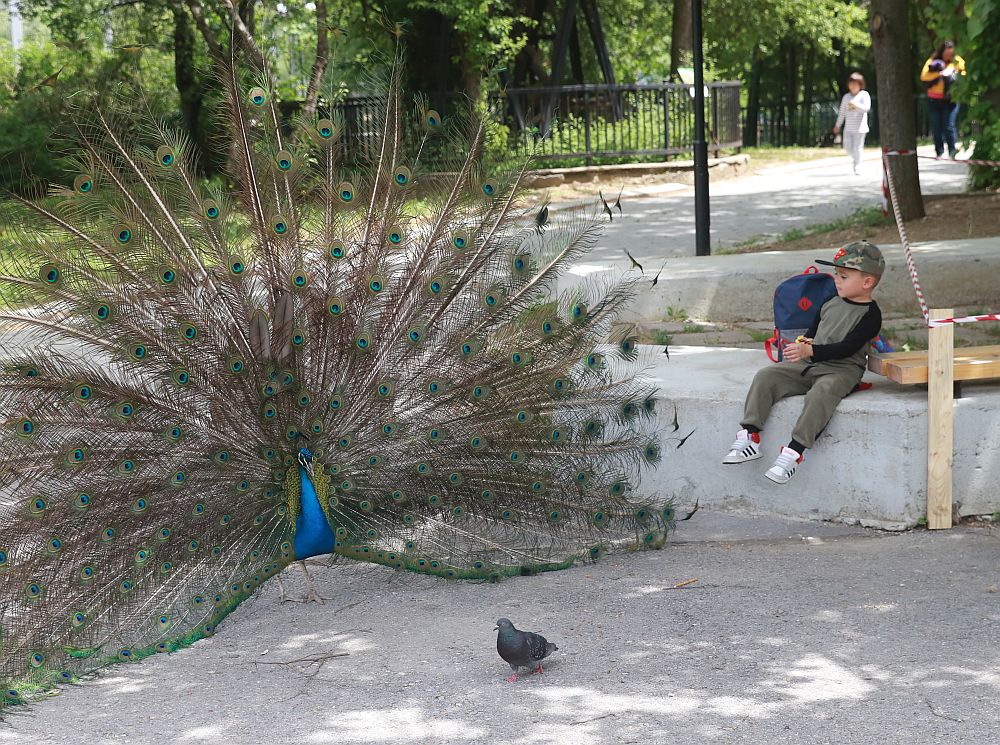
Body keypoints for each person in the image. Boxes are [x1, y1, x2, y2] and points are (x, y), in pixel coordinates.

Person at [722, 241, 884, 484]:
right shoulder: (830, 302)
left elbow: (847, 348)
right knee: (767, 376)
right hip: (811, 362)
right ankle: (750, 435)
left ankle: (794, 451)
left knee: (822, 392)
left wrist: (810, 351)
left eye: (844, 276)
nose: (836, 280)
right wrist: (802, 344)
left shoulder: (871, 314)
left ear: (867, 282)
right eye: (837, 275)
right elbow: (813, 330)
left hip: (842, 369)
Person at [921, 40, 966, 158]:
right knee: (936, 127)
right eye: (946, 54)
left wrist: (952, 73)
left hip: (951, 100)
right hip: (934, 100)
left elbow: (964, 75)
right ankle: (939, 152)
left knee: (949, 125)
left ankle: (952, 151)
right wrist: (940, 74)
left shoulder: (957, 61)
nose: (948, 56)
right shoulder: (932, 62)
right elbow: (924, 76)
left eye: (950, 54)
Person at [832, 72, 871, 175]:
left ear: (860, 85)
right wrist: (837, 125)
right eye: (851, 84)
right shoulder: (846, 97)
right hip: (848, 128)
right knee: (848, 148)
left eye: (855, 84)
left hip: (860, 128)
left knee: (857, 147)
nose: (852, 86)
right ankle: (858, 158)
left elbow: (866, 108)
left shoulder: (864, 95)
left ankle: (857, 166)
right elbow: (842, 113)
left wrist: (856, 104)